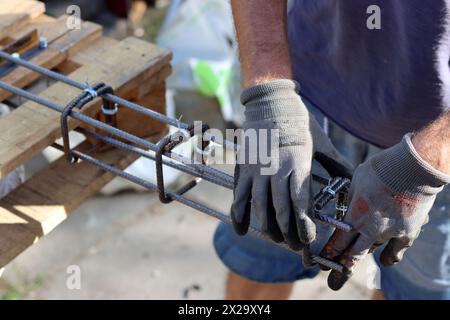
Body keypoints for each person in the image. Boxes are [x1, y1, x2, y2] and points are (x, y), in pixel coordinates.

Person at [213, 0, 450, 300]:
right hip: (302, 97)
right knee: (258, 267)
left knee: (409, 293)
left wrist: (430, 159)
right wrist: (269, 93)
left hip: (438, 148)